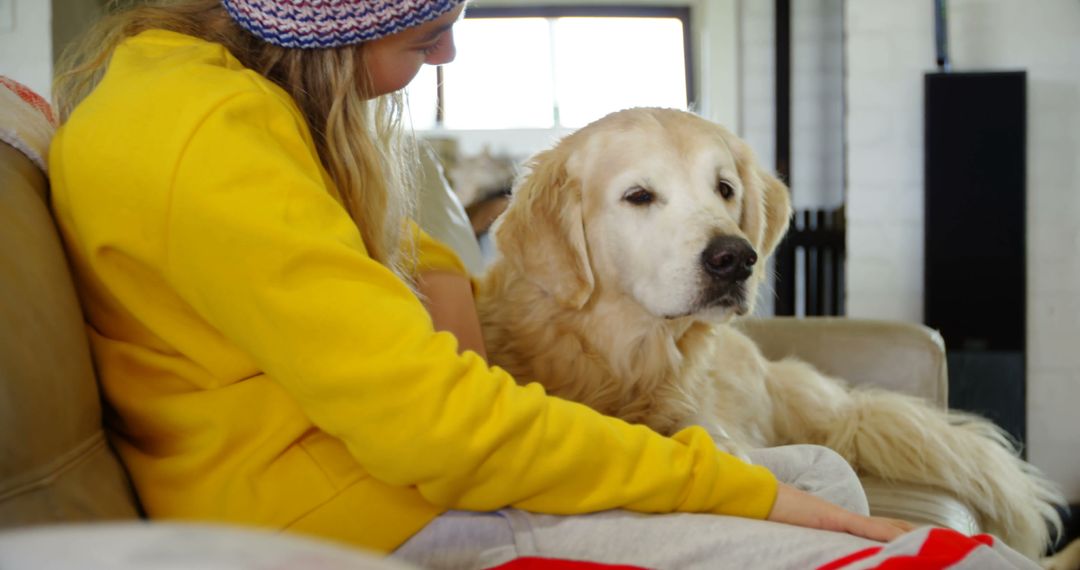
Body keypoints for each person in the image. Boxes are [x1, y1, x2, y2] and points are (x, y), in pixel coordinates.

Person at [49, 1, 912, 567]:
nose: (452, 48)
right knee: (851, 540)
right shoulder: (206, 135)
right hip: (347, 518)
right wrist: (732, 487)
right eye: (428, 29)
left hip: (378, 478)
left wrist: (444, 292)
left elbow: (389, 257)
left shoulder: (207, 101)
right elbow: (440, 430)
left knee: (825, 478)